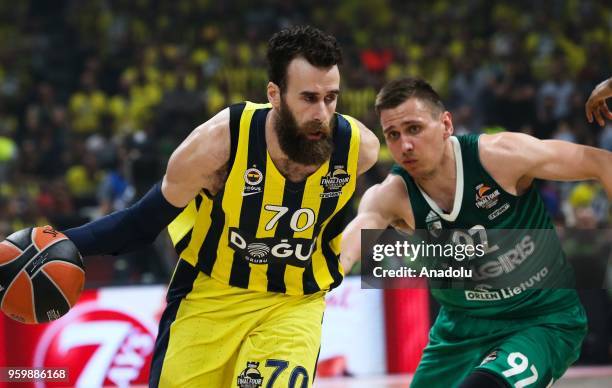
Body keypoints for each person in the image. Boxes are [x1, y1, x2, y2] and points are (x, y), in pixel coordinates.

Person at [60, 26, 379, 387]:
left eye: (331, 98)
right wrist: (59, 243)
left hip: (293, 304)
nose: (322, 113)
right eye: (308, 98)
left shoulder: (358, 150)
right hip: (210, 295)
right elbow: (140, 223)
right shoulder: (218, 144)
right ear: (275, 95)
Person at [340, 77, 611, 387]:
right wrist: (322, 278)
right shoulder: (391, 195)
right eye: (393, 135)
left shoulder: (500, 157)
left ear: (445, 125)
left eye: (414, 129)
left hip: (541, 320)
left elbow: (602, 162)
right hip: (460, 331)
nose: (405, 145)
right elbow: (353, 239)